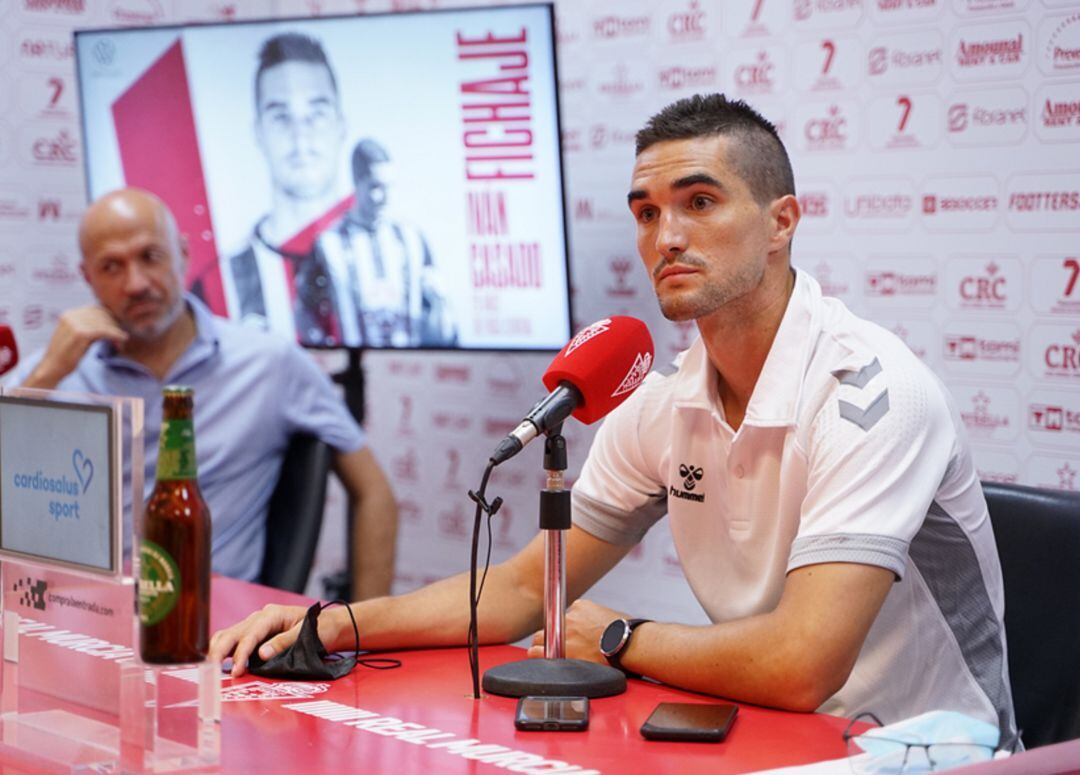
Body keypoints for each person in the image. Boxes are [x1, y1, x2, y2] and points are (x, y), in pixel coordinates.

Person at [210, 95, 1016, 739]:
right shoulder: (663, 399)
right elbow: (527, 587)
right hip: (768, 737)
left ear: (782, 222)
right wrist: (335, 623)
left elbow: (804, 661)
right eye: (646, 212)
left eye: (700, 201)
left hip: (929, 747)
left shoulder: (870, 388)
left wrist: (621, 637)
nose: (667, 236)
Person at [11, 188, 397, 599]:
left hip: (211, 627)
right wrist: (48, 373)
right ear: (88, 277)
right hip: (80, 612)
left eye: (150, 256)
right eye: (111, 267)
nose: (136, 283)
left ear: (182, 254)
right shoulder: (58, 370)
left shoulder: (268, 363)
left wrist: (365, 631)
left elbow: (374, 490)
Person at [228, 32, 347, 346]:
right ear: (258, 132)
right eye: (281, 116)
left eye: (317, 114)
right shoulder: (220, 282)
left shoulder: (403, 252)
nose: (301, 136)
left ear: (341, 124)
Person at [318, 138, 457, 347]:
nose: (385, 197)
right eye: (375, 187)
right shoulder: (328, 244)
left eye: (389, 187)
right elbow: (307, 314)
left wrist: (441, 305)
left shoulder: (412, 238)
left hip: (412, 370)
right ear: (356, 184)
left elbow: (438, 320)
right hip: (354, 371)